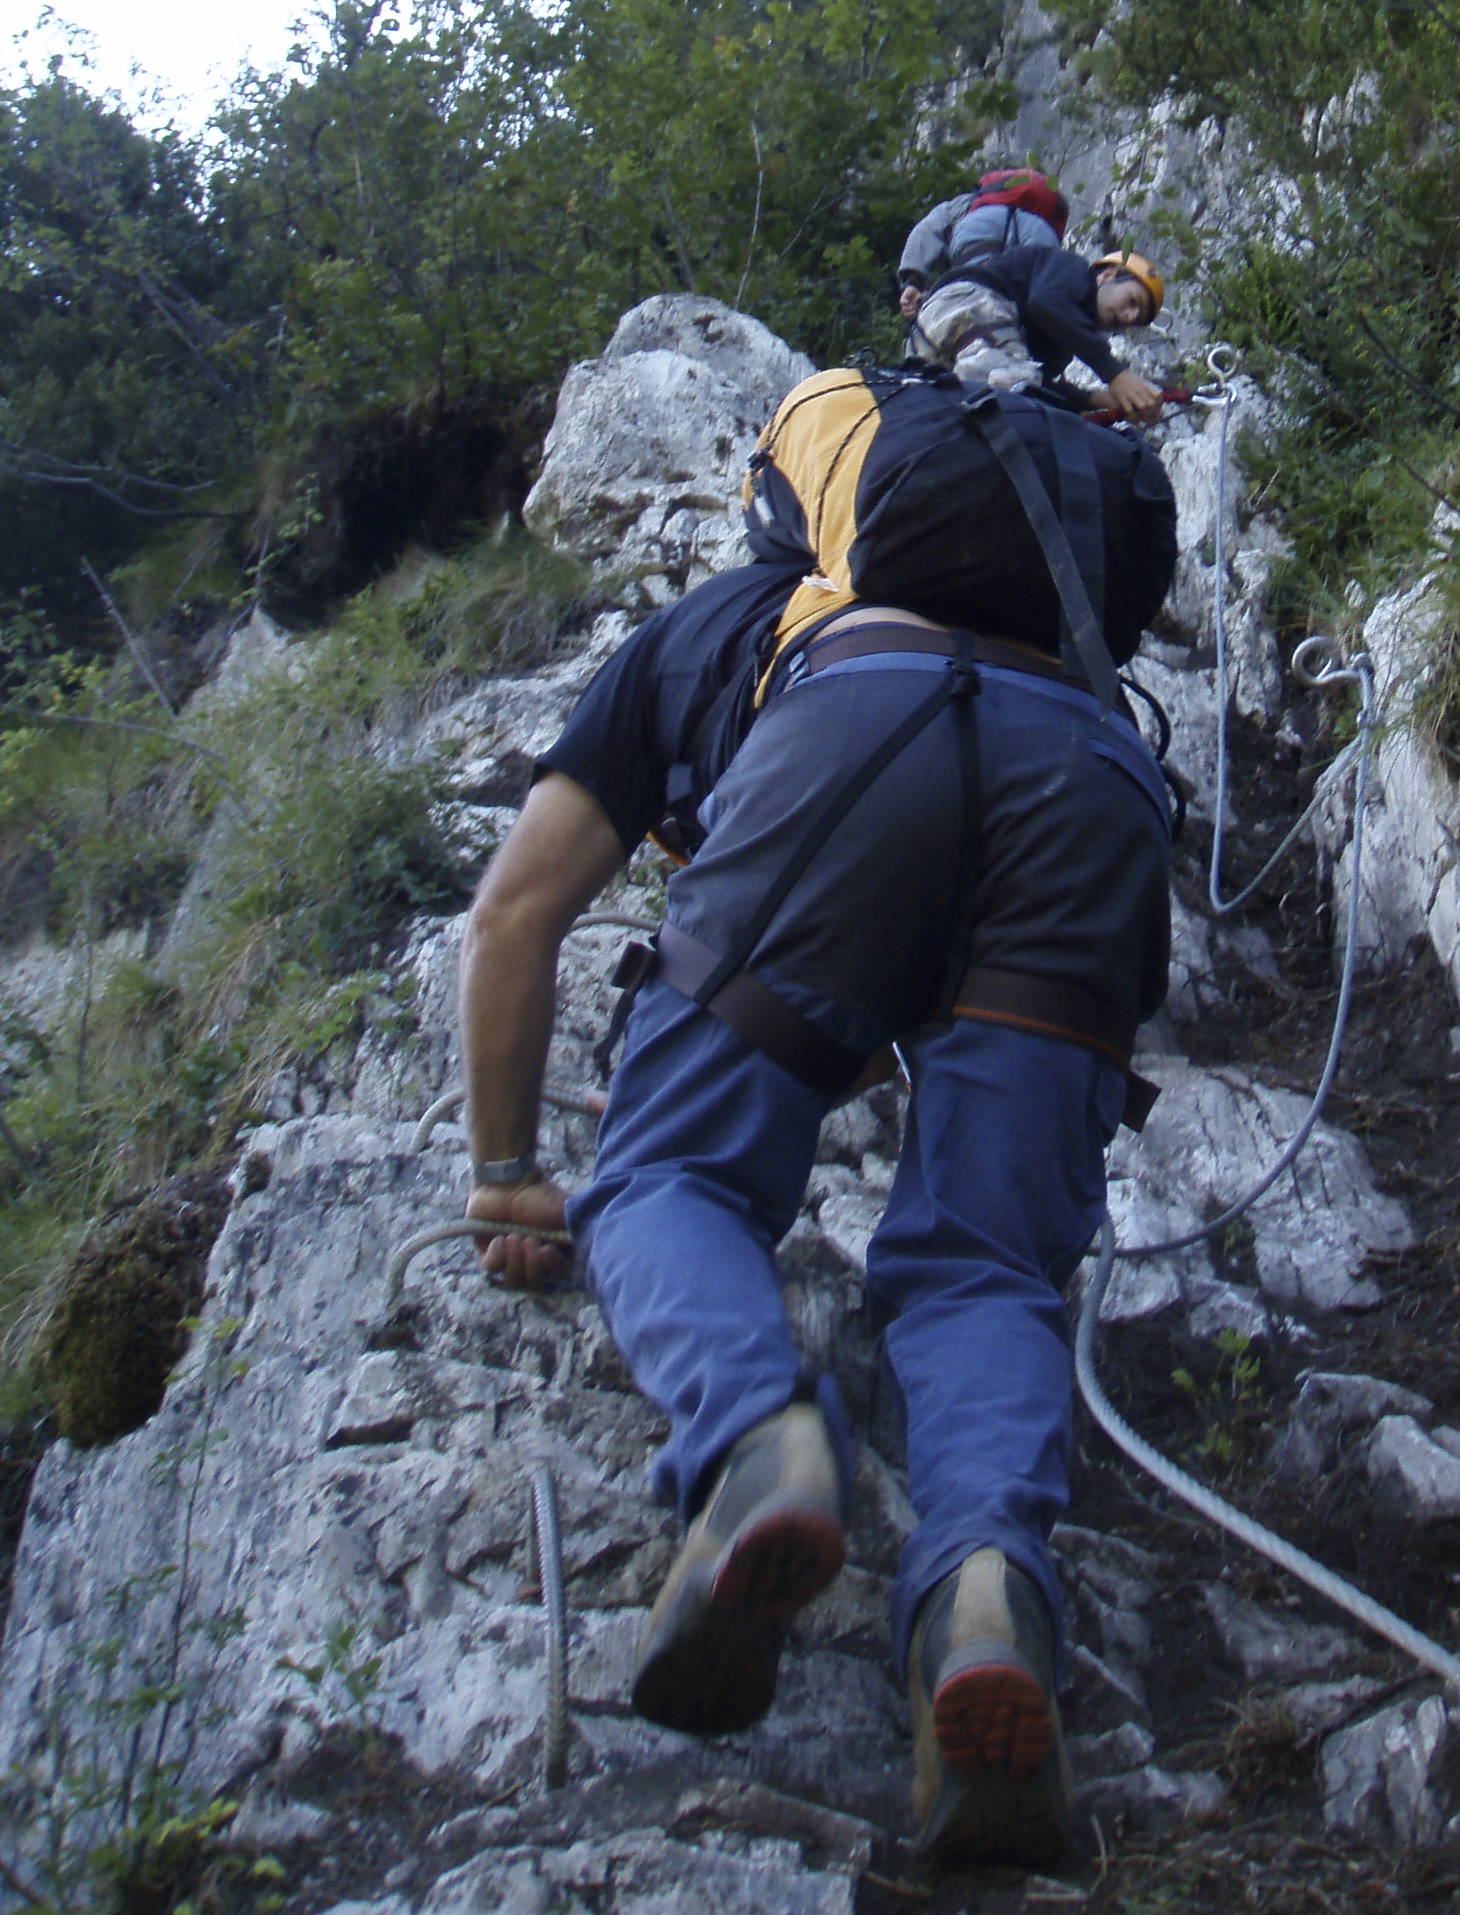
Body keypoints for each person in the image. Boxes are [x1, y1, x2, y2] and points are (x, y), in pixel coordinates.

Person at [457, 361, 1179, 1865]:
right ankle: (983, 1591)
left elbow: (516, 914)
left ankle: (761, 1446)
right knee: (988, 1262)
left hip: (852, 744)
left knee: (669, 1174)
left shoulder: (719, 627)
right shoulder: (1058, 620)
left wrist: (509, 1173)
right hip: (1093, 772)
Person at [914, 240, 1166, 422]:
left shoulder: (1063, 340)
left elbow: (1038, 385)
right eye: (1132, 302)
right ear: (1107, 275)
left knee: (1015, 399)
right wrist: (1115, 374)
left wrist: (1095, 399)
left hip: (932, 333)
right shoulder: (1074, 271)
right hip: (968, 304)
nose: (1129, 317)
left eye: (1134, 321)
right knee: (1015, 410)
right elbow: (1045, 301)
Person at [894, 165, 1068, 325]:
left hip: (980, 232)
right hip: (1040, 234)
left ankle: (933, 301)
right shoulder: (1046, 206)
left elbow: (925, 231)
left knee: (972, 291)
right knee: (1037, 302)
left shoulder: (972, 200)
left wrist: (912, 282)